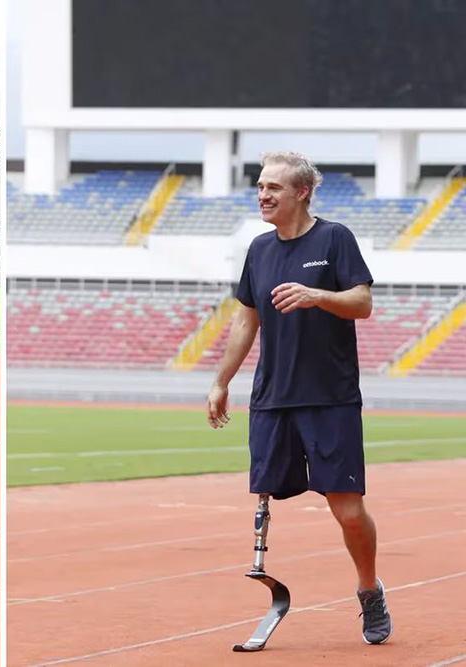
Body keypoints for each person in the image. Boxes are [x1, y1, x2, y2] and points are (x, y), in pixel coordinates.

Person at [206, 151, 392, 644]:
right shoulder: (259, 250)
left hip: (329, 398)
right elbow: (247, 318)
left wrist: (318, 295)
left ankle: (369, 590)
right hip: (272, 398)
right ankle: (268, 578)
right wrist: (222, 381)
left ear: (302, 193)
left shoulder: (334, 238)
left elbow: (363, 302)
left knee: (348, 511)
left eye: (274, 188)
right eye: (261, 186)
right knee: (266, 493)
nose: (263, 194)